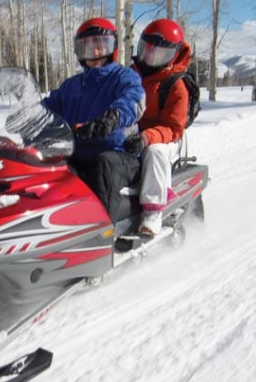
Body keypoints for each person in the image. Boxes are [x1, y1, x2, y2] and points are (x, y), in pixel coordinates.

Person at [41, 17, 146, 222]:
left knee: (104, 165)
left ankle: (101, 234)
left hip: (119, 153)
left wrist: (112, 118)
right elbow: (49, 106)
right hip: (77, 151)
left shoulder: (124, 77)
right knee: (52, 168)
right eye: (87, 48)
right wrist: (27, 116)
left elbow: (134, 99)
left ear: (113, 47)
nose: (96, 53)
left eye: (101, 46)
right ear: (80, 53)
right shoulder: (71, 86)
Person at [127, 18, 192, 237]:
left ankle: (152, 212)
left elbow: (173, 127)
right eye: (147, 49)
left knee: (154, 153)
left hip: (165, 139)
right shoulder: (131, 75)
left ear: (172, 54)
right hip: (133, 134)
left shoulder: (175, 86)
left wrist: (147, 137)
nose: (151, 56)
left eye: (159, 53)